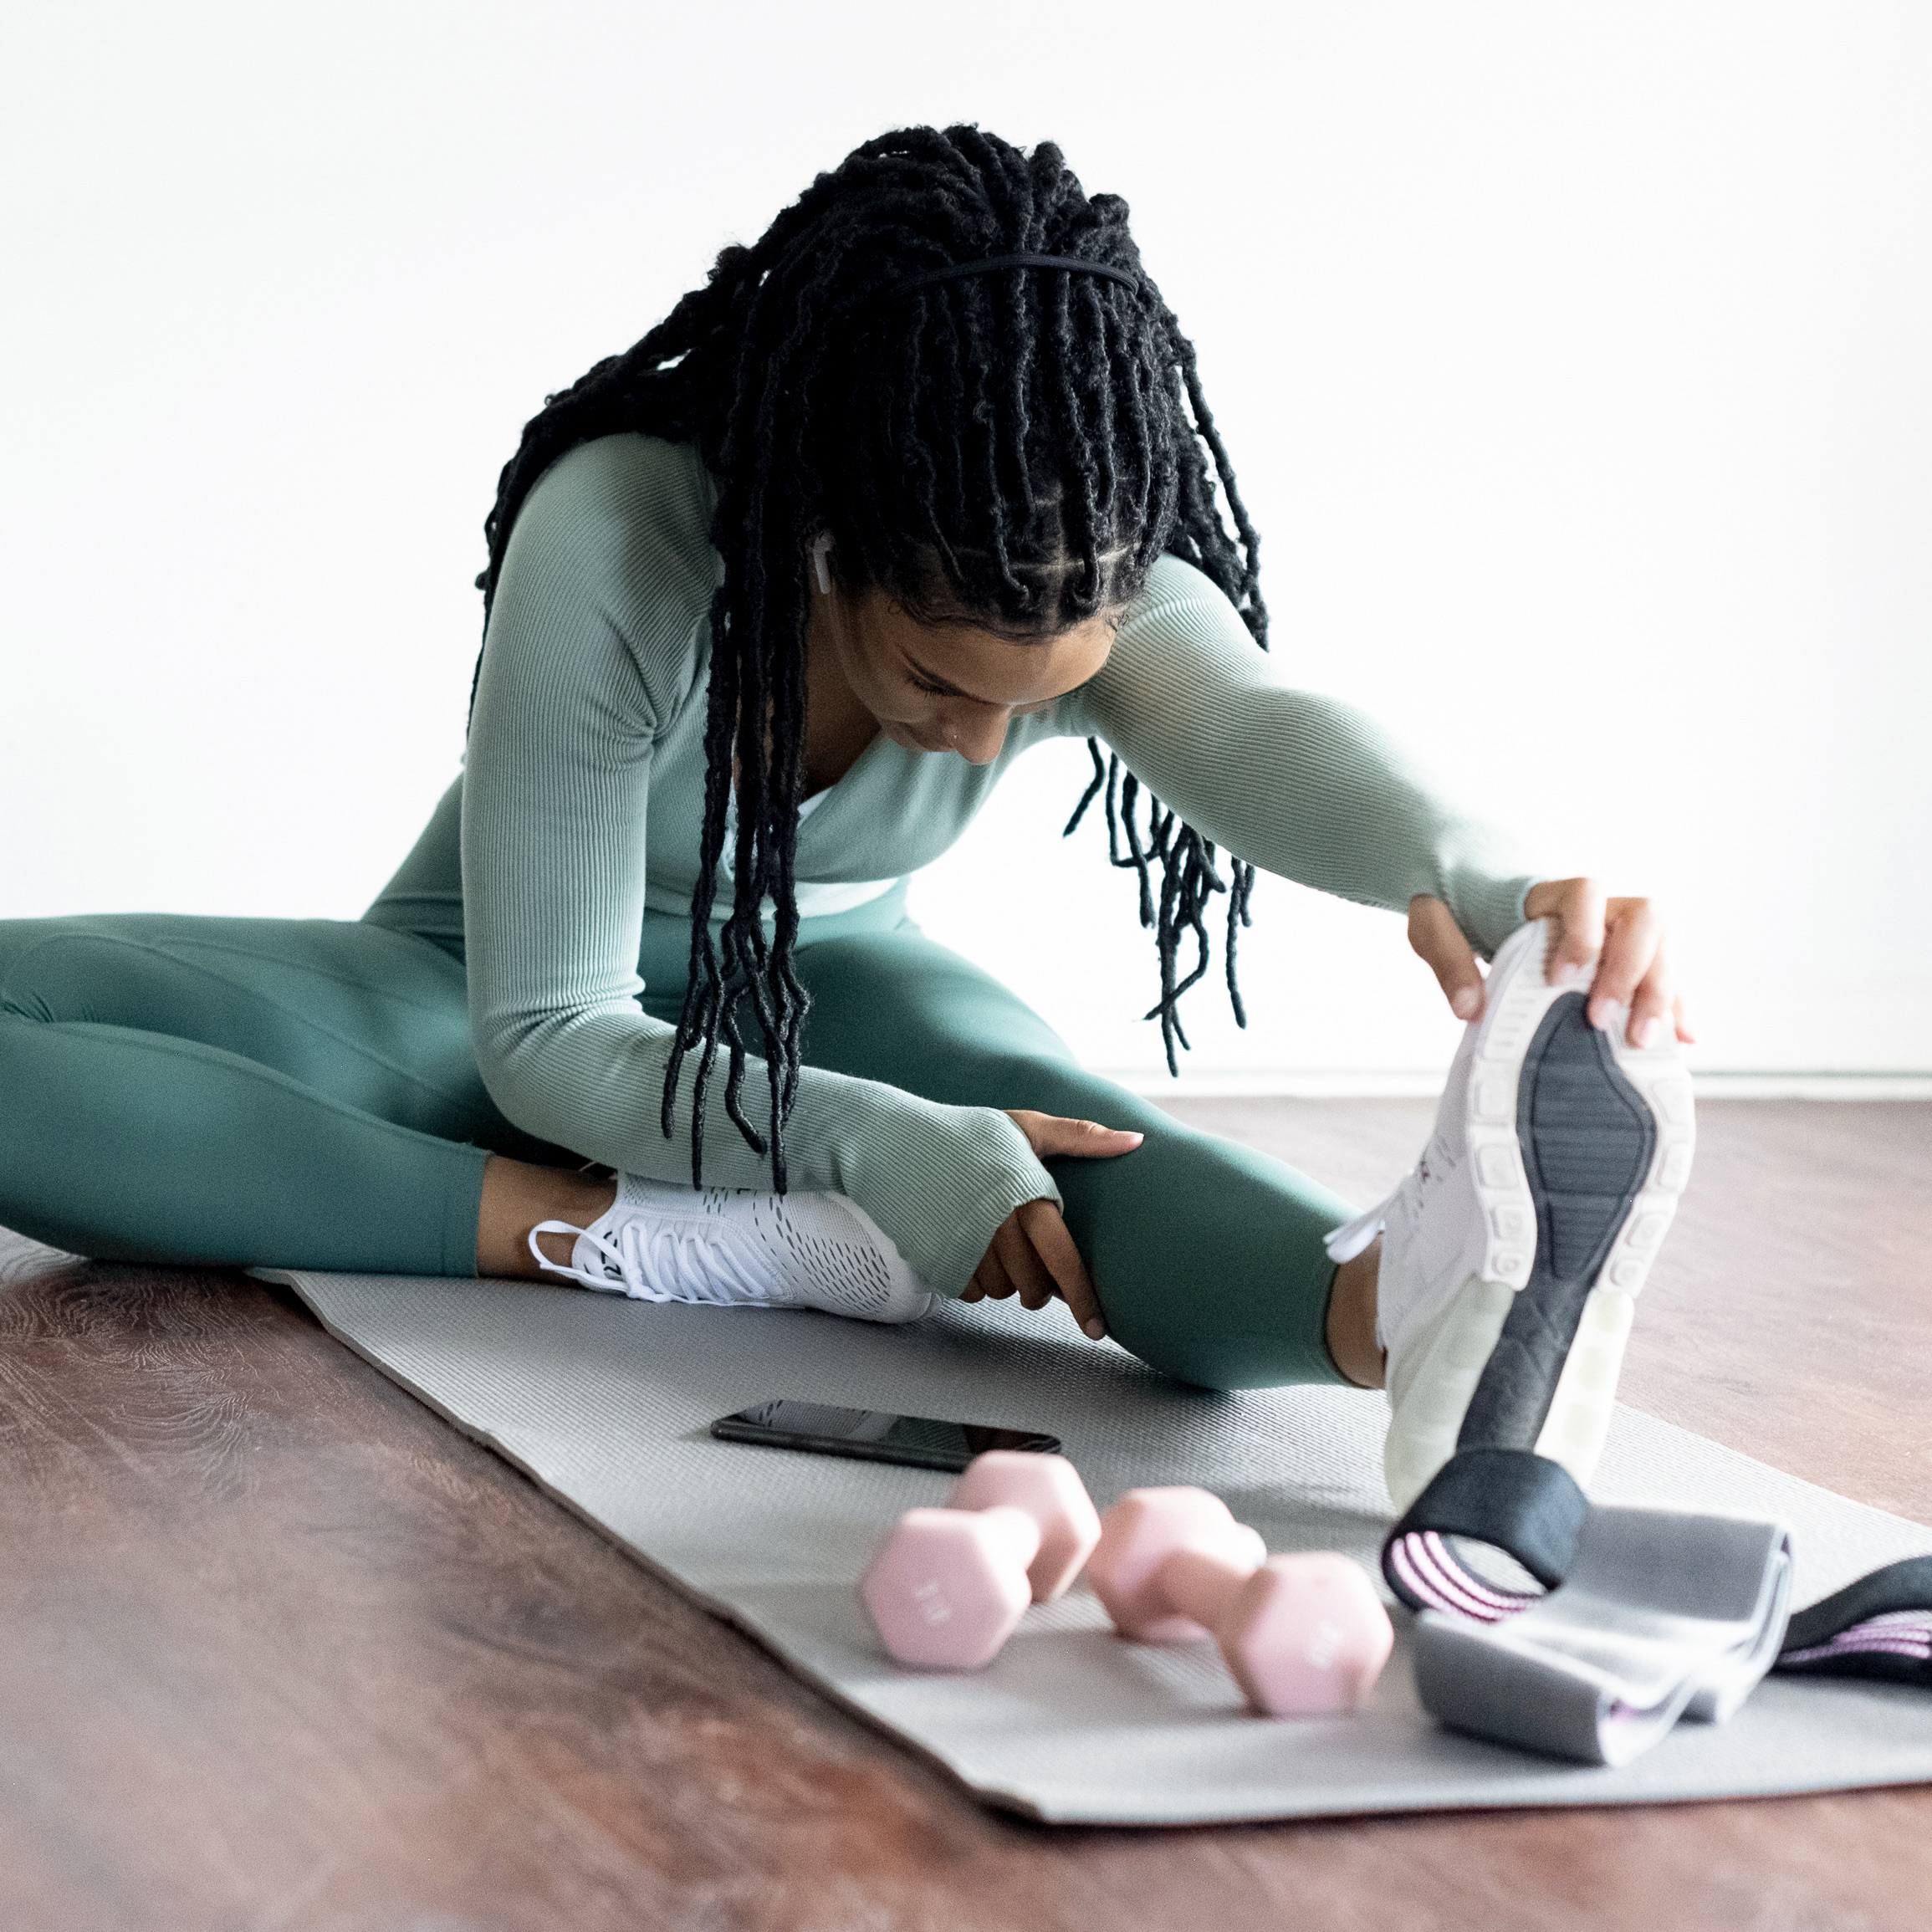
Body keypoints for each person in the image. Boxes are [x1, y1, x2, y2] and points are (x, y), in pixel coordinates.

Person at [0, 126, 1692, 1508]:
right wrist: (857, 1141)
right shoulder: (621, 542)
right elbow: (547, 1032)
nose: (977, 750)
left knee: (1058, 1143)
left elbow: (1252, 726)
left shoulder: (1053, 546)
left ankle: (1420, 1307)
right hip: (487, 1006)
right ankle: (640, 1239)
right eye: (938, 685)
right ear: (822, 544)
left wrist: (1489, 872)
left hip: (843, 993)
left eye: (1040, 702)